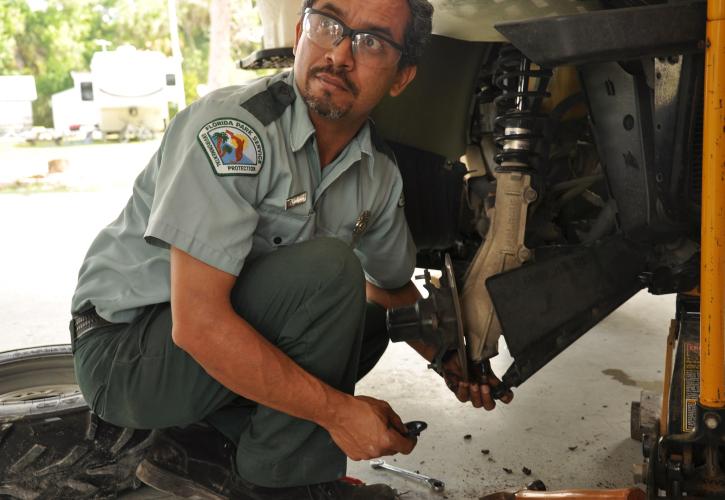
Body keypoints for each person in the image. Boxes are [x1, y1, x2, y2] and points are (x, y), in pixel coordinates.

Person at [70, 0, 510, 498]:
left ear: (402, 76)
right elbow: (196, 323)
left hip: (192, 352)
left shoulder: (379, 173)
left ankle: (222, 448)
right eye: (328, 26)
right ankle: (283, 485)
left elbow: (391, 292)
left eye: (371, 41)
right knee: (330, 273)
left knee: (366, 323)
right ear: (300, 32)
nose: (340, 54)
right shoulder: (233, 131)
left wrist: (452, 358)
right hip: (127, 354)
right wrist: (340, 415)